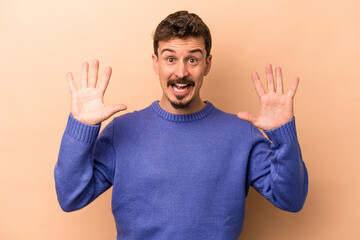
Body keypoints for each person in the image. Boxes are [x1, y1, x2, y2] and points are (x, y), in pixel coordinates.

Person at [55, 10, 308, 240]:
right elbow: (70, 197)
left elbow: (291, 198)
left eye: (192, 60)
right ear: (156, 63)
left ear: (207, 64)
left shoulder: (241, 134)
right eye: (170, 59)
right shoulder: (122, 131)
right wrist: (81, 129)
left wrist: (283, 135)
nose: (181, 72)